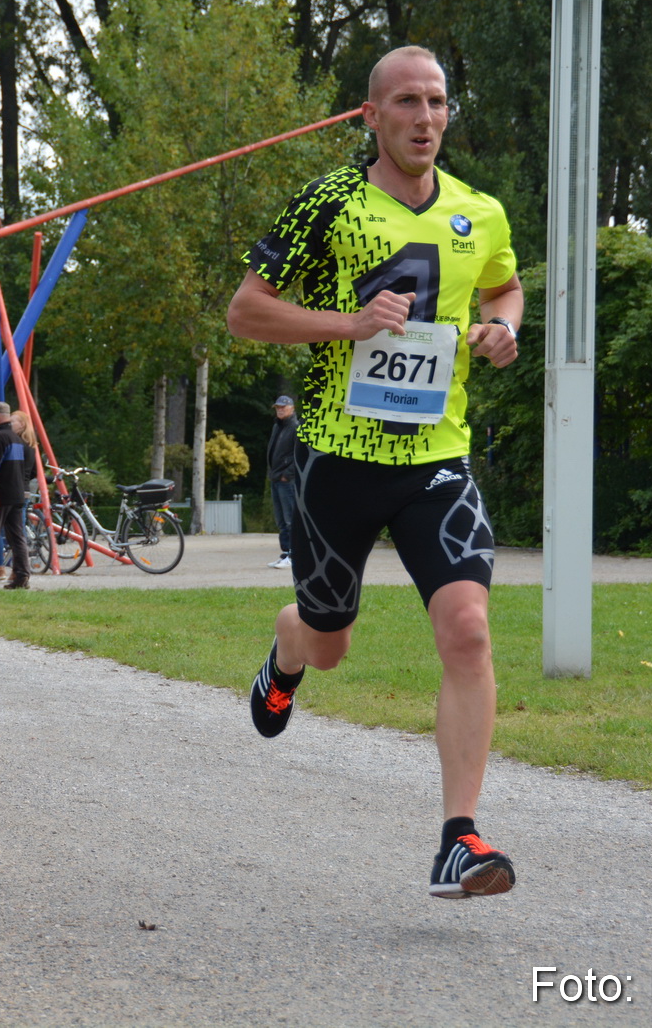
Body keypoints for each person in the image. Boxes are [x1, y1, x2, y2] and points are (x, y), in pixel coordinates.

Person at [225, 45, 525, 899]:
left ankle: (459, 838)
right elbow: (245, 313)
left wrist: (504, 328)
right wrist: (349, 323)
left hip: (435, 459)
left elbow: (504, 289)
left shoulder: (479, 212)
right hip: (336, 459)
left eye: (437, 101)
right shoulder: (329, 203)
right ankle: (288, 647)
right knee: (330, 644)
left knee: (468, 630)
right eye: (406, 102)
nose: (425, 118)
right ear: (371, 116)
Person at [0, 402, 32, 589]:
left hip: (1, 494)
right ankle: (22, 576)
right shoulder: (17, 439)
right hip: (18, 493)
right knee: (17, 536)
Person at [266, 394, 299, 568]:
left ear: (292, 408)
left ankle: (294, 555)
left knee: (290, 519)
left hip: (286, 480)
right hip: (276, 478)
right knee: (281, 521)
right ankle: (286, 553)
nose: (280, 410)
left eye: (283, 407)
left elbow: (299, 454)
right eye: (278, 407)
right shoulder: (277, 427)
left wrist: (288, 474)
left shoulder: (295, 427)